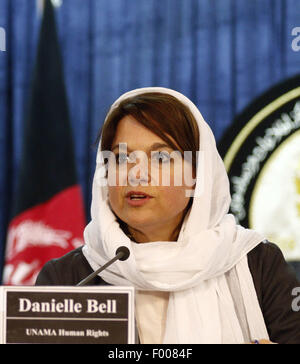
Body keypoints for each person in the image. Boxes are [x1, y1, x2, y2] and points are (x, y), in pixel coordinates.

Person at [36, 87, 300, 344]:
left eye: (161, 157)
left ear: (198, 176)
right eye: (121, 158)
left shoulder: (256, 263)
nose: (136, 174)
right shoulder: (69, 279)